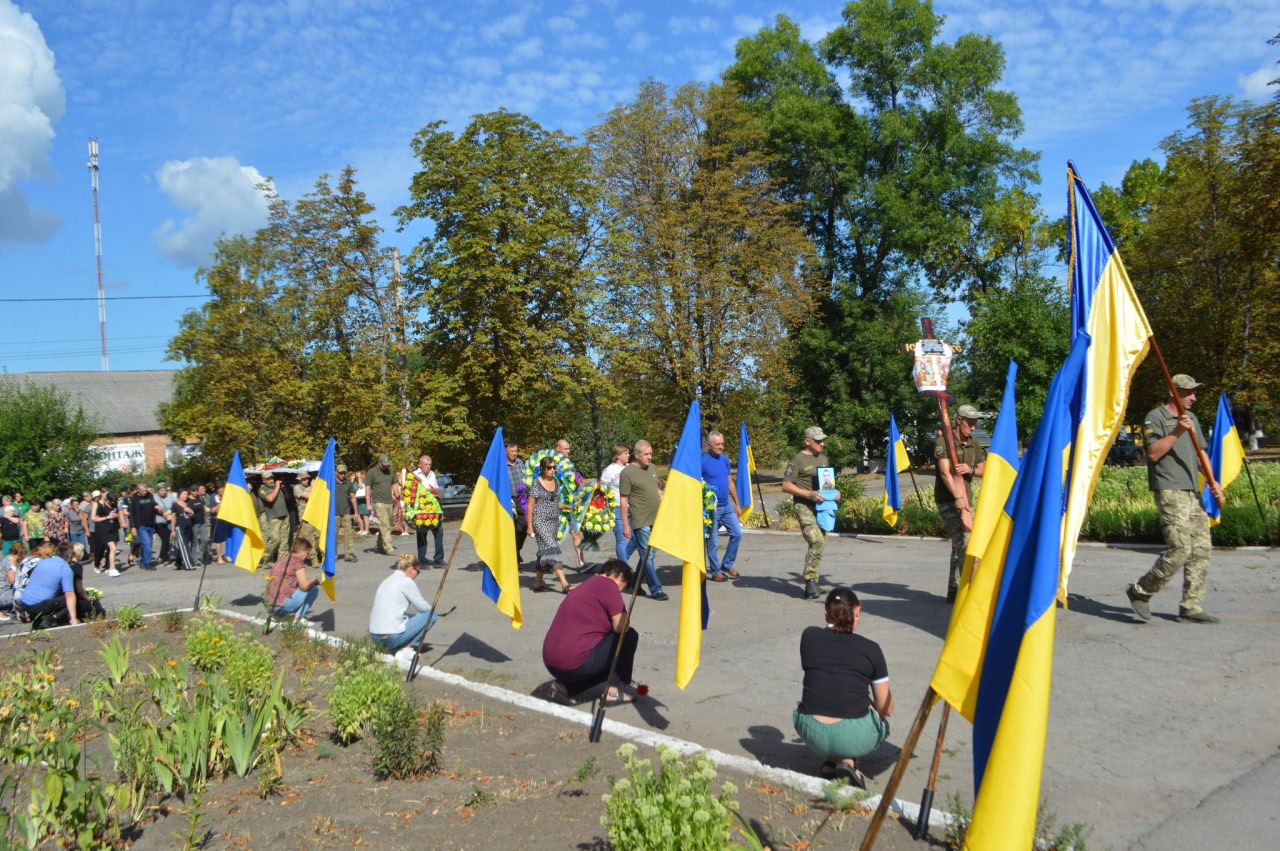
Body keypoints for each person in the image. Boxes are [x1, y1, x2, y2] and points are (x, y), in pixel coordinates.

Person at [1127, 374, 1223, 624]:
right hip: (1170, 490)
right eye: (1188, 392)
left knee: (1201, 549)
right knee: (1180, 549)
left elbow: (1201, 452)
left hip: (1192, 490)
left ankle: (1191, 606)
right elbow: (1153, 453)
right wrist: (1179, 430)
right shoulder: (1155, 417)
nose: (1194, 397)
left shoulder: (1192, 419)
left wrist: (1213, 483)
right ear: (1173, 392)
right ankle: (1141, 591)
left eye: (1194, 392)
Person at [793, 587, 893, 788]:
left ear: (825, 612)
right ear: (857, 612)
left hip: (810, 729)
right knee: (879, 717)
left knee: (829, 697)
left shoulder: (809, 636)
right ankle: (848, 761)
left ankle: (830, 763)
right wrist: (875, 708)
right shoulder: (871, 649)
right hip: (852, 735)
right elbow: (886, 706)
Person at [542, 558, 639, 704]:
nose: (620, 591)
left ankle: (566, 686)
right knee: (629, 636)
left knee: (600, 647)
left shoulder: (585, 585)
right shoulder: (608, 585)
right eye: (622, 587)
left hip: (551, 661)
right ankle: (614, 689)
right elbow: (621, 627)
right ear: (620, 576)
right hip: (573, 662)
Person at [935, 404, 987, 603]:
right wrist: (957, 497)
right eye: (970, 424)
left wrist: (971, 469)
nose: (973, 428)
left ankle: (954, 590)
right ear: (959, 420)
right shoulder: (944, 442)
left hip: (967, 499)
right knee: (963, 542)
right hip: (948, 500)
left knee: (960, 544)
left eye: (975, 424)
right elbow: (945, 473)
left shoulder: (973, 443)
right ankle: (964, 590)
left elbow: (983, 469)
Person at [782, 426, 840, 599]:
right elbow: (786, 486)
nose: (822, 444)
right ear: (808, 441)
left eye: (822, 440)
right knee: (817, 541)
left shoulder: (823, 459)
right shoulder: (797, 459)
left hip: (822, 508)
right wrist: (809, 494)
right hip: (804, 505)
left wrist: (835, 493)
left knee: (820, 542)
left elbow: (827, 483)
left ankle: (813, 581)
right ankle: (810, 582)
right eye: (818, 441)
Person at [369, 554, 440, 659]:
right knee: (432, 615)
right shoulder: (406, 581)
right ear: (411, 569)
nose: (417, 574)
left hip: (374, 635)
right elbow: (424, 608)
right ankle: (406, 648)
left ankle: (391, 646)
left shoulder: (386, 581)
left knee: (410, 616)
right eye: (418, 571)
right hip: (390, 637)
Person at [620, 440, 667, 600]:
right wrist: (626, 525)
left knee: (647, 554)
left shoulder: (652, 468)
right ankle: (656, 589)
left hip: (656, 519)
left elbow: (655, 487)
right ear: (637, 455)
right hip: (641, 521)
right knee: (648, 555)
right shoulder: (627, 473)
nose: (650, 457)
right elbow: (623, 500)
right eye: (646, 454)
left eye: (651, 454)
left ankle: (634, 582)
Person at [701, 430, 743, 582]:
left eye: (722, 444)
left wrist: (737, 503)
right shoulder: (702, 462)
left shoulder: (724, 460)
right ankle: (715, 570)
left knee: (737, 533)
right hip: (712, 508)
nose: (721, 447)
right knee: (713, 541)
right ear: (709, 445)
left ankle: (727, 564)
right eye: (717, 444)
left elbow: (730, 482)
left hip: (727, 506)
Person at [528, 456, 574, 594]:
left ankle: (537, 583)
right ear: (542, 468)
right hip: (540, 522)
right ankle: (564, 583)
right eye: (549, 467)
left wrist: (567, 506)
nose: (552, 470)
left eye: (554, 467)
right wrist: (530, 526)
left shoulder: (557, 482)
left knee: (545, 551)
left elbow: (555, 503)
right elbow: (530, 506)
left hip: (553, 522)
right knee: (552, 549)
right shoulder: (537, 483)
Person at [17, 541, 81, 629]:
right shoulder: (65, 568)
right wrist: (74, 618)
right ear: (70, 556)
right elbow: (69, 595)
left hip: (25, 603)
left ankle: (31, 615)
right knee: (71, 598)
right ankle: (51, 619)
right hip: (38, 606)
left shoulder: (43, 561)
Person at [264, 537, 319, 620]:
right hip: (283, 605)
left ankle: (276, 616)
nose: (306, 556)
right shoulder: (298, 562)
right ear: (301, 552)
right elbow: (304, 587)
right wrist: (314, 580)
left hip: (269, 604)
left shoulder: (281, 560)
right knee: (314, 589)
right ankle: (298, 618)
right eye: (306, 553)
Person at [599, 444, 630, 563]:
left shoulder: (630, 468)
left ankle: (622, 562)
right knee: (621, 539)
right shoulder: (609, 470)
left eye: (628, 452)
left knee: (635, 537)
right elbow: (602, 490)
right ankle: (624, 568)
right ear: (618, 455)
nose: (628, 455)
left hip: (631, 507)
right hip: (616, 507)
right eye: (626, 453)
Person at [366, 454, 398, 556]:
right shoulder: (372, 472)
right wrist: (368, 504)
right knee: (385, 525)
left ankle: (379, 545)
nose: (385, 466)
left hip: (389, 502)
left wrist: (398, 499)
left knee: (385, 525)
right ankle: (389, 548)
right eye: (384, 465)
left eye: (387, 465)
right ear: (379, 463)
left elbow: (394, 485)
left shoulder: (390, 471)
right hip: (378, 502)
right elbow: (367, 488)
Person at [259, 473, 289, 565]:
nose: (271, 480)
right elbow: (270, 499)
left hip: (285, 515)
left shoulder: (278, 488)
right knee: (275, 539)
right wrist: (277, 487)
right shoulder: (262, 489)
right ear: (263, 480)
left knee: (284, 541)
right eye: (268, 479)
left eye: (272, 478)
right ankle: (266, 556)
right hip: (274, 518)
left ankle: (282, 561)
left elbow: (288, 498)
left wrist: (284, 490)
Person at [129, 482, 159, 569]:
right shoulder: (134, 498)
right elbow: (132, 513)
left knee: (148, 545)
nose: (145, 492)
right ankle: (147, 563)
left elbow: (153, 505)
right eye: (143, 491)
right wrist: (133, 526)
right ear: (138, 490)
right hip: (141, 525)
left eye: (146, 490)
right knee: (147, 543)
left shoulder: (150, 495)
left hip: (151, 523)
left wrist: (157, 507)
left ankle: (142, 560)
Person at [91, 490, 121, 577]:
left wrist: (117, 515)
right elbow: (94, 518)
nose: (112, 502)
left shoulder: (114, 504)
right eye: (110, 501)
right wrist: (107, 517)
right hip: (103, 529)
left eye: (113, 501)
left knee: (111, 549)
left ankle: (110, 567)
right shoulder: (98, 505)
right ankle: (99, 565)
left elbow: (119, 514)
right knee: (109, 549)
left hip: (113, 528)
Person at [506, 440, 527, 558]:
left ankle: (517, 549)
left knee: (524, 526)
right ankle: (514, 555)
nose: (515, 453)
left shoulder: (520, 462)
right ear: (506, 452)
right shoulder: (502, 465)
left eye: (516, 451)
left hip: (522, 498)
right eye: (512, 451)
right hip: (509, 499)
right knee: (512, 528)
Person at [334, 464, 359, 563]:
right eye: (341, 473)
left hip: (346, 512)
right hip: (334, 513)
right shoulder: (330, 483)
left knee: (348, 534)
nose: (343, 475)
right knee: (333, 535)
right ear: (336, 472)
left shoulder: (348, 484)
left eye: (344, 473)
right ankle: (333, 555)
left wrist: (356, 513)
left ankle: (349, 554)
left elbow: (353, 498)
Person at [0, 540, 24, 620]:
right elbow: (13, 581)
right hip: (3, 593)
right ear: (21, 552)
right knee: (23, 594)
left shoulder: (8, 559)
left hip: (4, 591)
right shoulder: (9, 562)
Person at [154, 483, 177, 564]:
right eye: (162, 490)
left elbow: (174, 505)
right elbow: (152, 509)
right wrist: (161, 513)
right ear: (158, 491)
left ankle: (161, 556)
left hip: (168, 520)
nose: (164, 492)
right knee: (165, 539)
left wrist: (170, 513)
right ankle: (166, 558)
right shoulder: (154, 498)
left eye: (165, 490)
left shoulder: (170, 496)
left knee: (166, 539)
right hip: (158, 521)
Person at [353, 470, 371, 535]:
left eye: (358, 474)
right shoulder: (355, 482)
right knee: (358, 516)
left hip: (364, 501)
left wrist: (359, 479)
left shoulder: (365, 481)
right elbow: (353, 489)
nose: (357, 475)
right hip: (358, 501)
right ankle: (361, 529)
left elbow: (361, 486)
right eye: (356, 475)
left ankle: (366, 530)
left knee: (365, 515)